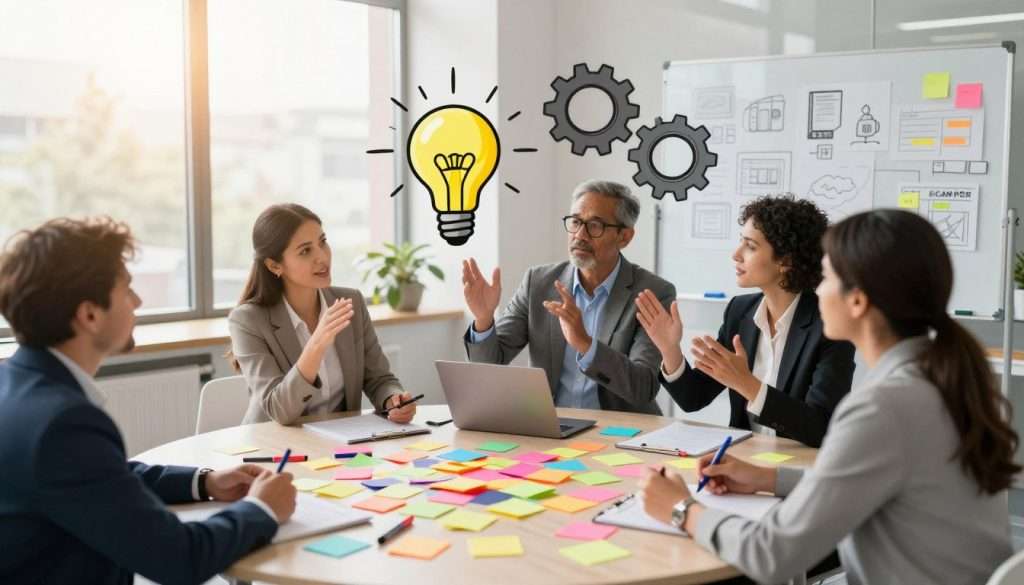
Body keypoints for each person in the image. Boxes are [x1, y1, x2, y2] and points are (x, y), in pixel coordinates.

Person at [640, 209, 1019, 585]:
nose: (817, 288)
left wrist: (680, 508)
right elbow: (870, 481)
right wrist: (767, 478)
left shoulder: (884, 408)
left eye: (828, 276)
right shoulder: (935, 378)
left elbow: (770, 554)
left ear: (857, 301)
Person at [0, 217, 297, 585]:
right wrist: (262, 509)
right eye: (127, 290)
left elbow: (103, 478)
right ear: (90, 315)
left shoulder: (15, 385)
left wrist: (205, 482)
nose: (138, 301)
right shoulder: (63, 423)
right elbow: (180, 558)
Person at [636, 195, 855, 447]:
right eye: (741, 242)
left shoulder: (830, 325)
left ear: (786, 261)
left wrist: (747, 385)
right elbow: (693, 398)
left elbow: (821, 427)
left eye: (750, 246)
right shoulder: (740, 312)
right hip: (744, 460)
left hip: (797, 469)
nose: (736, 254)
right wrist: (669, 349)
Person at [463, 179, 675, 414]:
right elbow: (491, 365)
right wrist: (483, 319)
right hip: (550, 425)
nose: (580, 235)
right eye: (575, 222)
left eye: (595, 225)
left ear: (624, 237)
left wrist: (585, 344)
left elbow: (642, 387)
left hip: (619, 431)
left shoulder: (652, 292)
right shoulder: (538, 282)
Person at [229, 203, 416, 425]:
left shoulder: (351, 301)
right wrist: (316, 345)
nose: (322, 257)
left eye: (323, 242)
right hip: (274, 448)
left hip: (338, 445)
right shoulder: (248, 320)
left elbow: (379, 379)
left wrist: (392, 400)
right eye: (305, 251)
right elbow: (279, 410)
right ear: (274, 266)